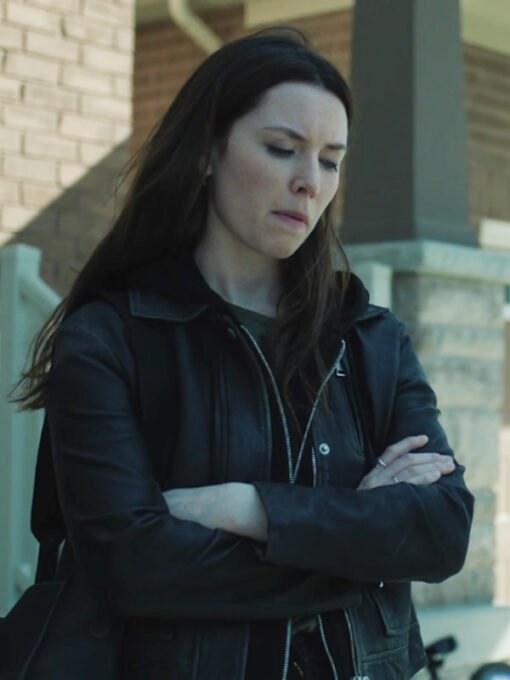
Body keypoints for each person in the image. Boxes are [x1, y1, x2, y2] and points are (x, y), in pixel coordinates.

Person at [15, 27, 473, 680]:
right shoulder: (111, 339)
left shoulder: (370, 339)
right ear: (207, 152)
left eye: (331, 161)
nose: (309, 182)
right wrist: (360, 539)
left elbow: (443, 528)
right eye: (283, 149)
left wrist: (248, 507)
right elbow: (132, 565)